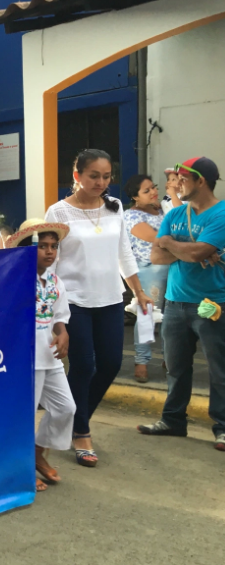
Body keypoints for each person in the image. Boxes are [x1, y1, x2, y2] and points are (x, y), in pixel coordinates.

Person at [45, 149, 153, 468]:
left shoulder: (115, 207)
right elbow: (50, 261)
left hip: (110, 300)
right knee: (84, 366)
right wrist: (54, 315)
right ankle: (81, 432)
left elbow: (124, 253)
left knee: (110, 364)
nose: (101, 182)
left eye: (106, 177)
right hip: (73, 301)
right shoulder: (58, 211)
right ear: (76, 175)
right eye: (94, 175)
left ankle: (70, 419)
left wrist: (139, 291)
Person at [139, 157, 225, 452]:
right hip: (175, 302)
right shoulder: (175, 214)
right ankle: (173, 420)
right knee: (175, 367)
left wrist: (173, 245)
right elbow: (156, 257)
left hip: (213, 302)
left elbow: (197, 250)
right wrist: (190, 251)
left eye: (183, 178)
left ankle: (223, 428)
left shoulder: (222, 213)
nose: (176, 183)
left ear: (202, 181)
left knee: (220, 369)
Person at [5, 219, 76, 492]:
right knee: (25, 414)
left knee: (65, 408)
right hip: (25, 358)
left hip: (50, 355)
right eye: (42, 246)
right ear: (26, 249)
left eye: (53, 246)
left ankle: (37, 454)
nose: (49, 251)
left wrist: (62, 332)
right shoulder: (14, 280)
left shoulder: (56, 281)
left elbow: (59, 315)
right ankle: (20, 466)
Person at [123, 174, 168, 383]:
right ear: (135, 197)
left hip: (173, 267)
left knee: (173, 319)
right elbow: (155, 239)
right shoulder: (131, 216)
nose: (153, 192)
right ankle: (141, 361)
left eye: (153, 187)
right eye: (146, 190)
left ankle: (169, 358)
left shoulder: (161, 209)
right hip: (149, 270)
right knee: (147, 317)